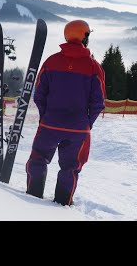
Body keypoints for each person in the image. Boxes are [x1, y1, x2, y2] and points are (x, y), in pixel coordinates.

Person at [25, 20, 106, 206]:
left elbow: (39, 94)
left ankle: (30, 199)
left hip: (49, 124)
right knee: (70, 168)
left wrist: (46, 116)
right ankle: (62, 206)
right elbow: (98, 102)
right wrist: (86, 123)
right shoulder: (94, 67)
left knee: (38, 159)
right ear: (84, 37)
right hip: (78, 129)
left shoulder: (51, 61)